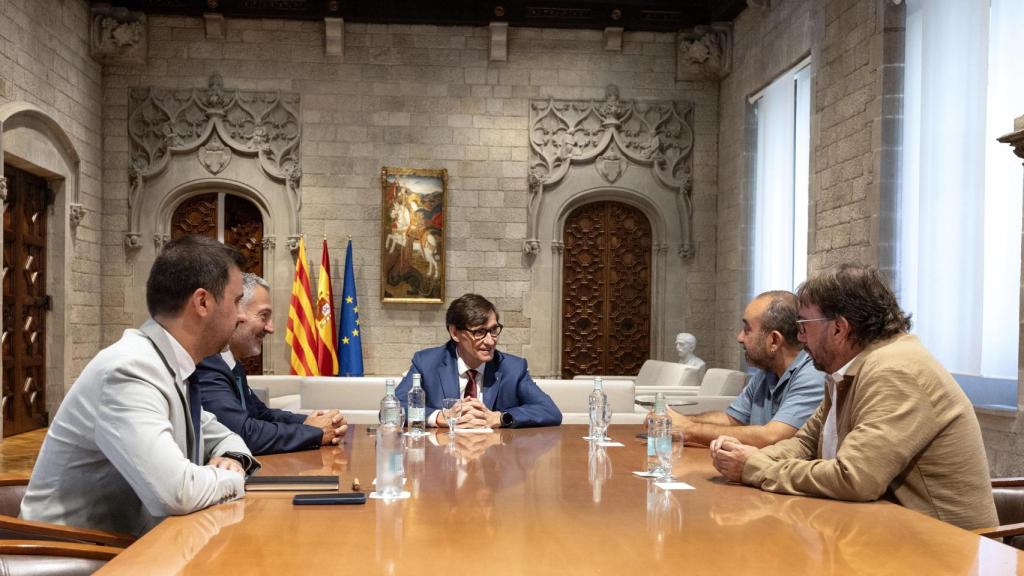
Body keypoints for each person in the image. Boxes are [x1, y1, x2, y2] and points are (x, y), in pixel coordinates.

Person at [711, 264, 997, 531]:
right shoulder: (848, 371)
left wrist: (755, 468)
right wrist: (746, 457)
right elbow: (805, 443)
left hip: (941, 548)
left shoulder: (895, 370)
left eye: (804, 325)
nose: (800, 337)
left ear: (839, 328)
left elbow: (855, 478)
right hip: (887, 532)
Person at [21, 236, 260, 536]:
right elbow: (176, 492)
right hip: (76, 556)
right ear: (202, 302)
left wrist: (234, 460)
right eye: (237, 300)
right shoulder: (131, 369)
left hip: (131, 546)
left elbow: (225, 436)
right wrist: (233, 479)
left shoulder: (168, 364)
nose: (241, 315)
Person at [195, 273, 348, 455]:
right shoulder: (207, 363)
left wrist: (307, 421)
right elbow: (242, 433)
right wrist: (316, 432)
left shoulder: (231, 364)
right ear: (235, 312)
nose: (271, 328)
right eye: (263, 316)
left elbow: (261, 414)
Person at [669, 291, 825, 447]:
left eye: (747, 329)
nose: (740, 337)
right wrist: (676, 421)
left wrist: (690, 430)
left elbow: (772, 437)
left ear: (774, 341)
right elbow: (732, 420)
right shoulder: (766, 371)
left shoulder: (813, 375)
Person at [395, 293, 561, 429]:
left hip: (494, 460)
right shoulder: (427, 363)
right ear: (455, 333)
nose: (490, 341)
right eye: (480, 332)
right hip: (443, 459)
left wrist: (501, 417)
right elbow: (394, 409)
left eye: (494, 330)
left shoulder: (512, 368)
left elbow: (550, 411)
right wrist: (439, 417)